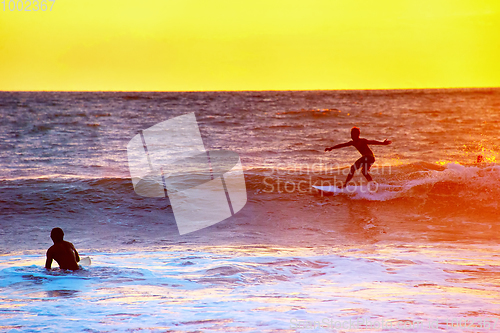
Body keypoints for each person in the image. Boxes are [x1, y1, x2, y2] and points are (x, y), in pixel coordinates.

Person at [325, 127, 391, 188]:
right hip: (370, 158)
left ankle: (345, 185)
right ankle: (372, 184)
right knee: (364, 172)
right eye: (351, 134)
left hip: (369, 157)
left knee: (353, 168)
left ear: (357, 134)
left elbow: (372, 141)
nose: (351, 136)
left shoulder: (362, 141)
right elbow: (342, 145)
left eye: (353, 134)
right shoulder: (353, 142)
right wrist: (331, 148)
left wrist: (382, 143)